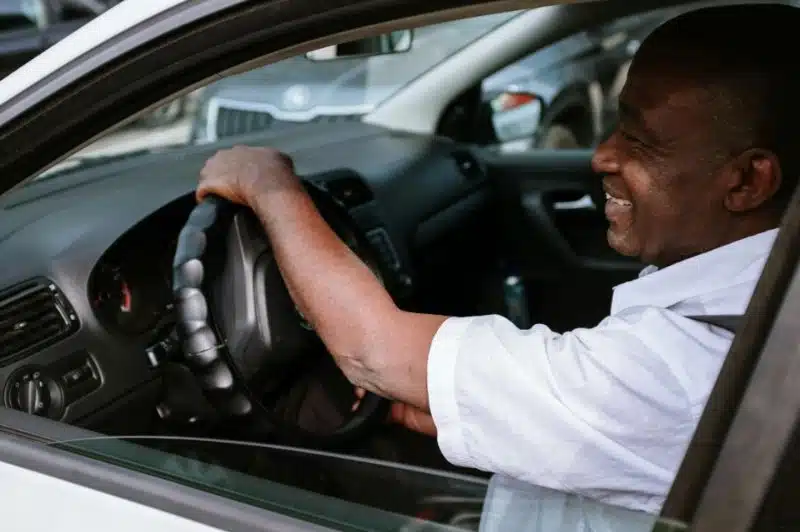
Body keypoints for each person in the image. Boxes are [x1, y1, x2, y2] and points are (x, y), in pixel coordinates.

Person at [195, 3, 800, 514]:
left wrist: (267, 185)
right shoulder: (758, 313)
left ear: (747, 181)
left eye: (639, 140)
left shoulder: (681, 371)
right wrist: (459, 407)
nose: (601, 157)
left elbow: (370, 351)